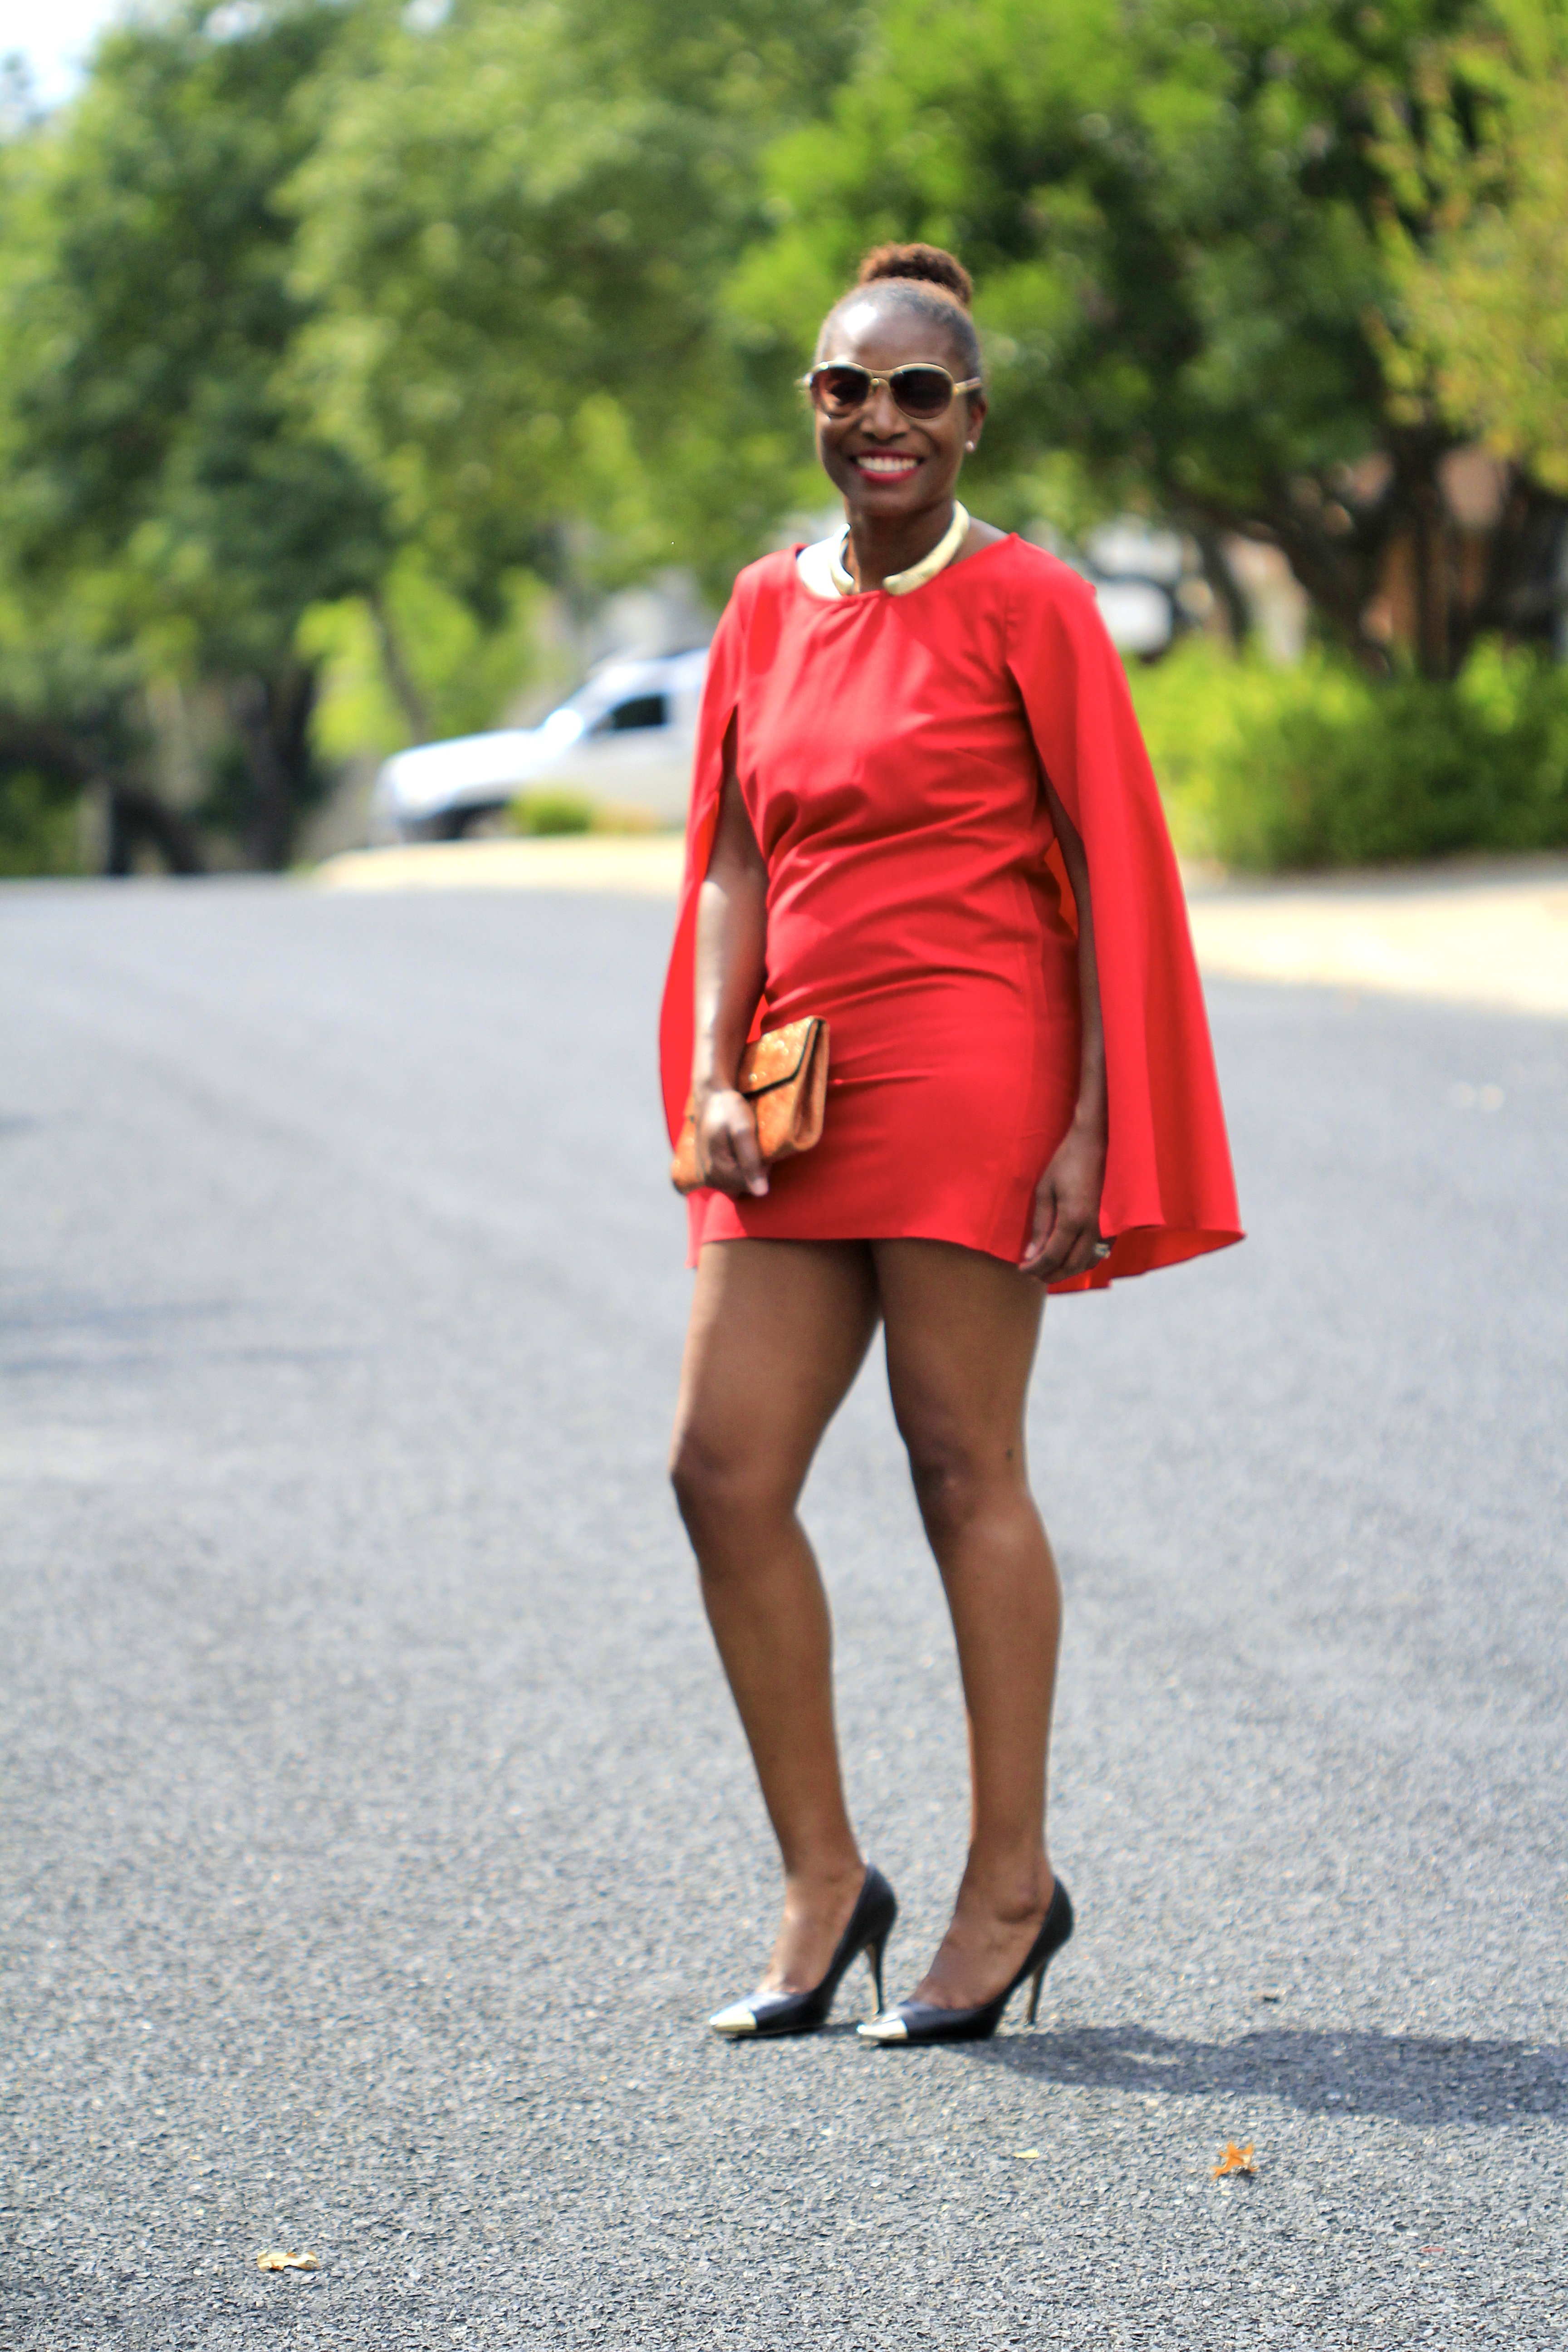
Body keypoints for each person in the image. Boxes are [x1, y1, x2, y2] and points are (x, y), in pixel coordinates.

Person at [660, 244, 1241, 2045]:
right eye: (850, 388)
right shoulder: (764, 605)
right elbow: (737, 857)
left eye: (921, 392)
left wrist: (1091, 1122)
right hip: (798, 1082)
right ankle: (825, 1878)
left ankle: (1011, 1884)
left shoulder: (1034, 607)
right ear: (814, 408)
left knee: (957, 1466)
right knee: (721, 1471)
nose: (883, 419)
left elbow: (1113, 872)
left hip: (977, 1070)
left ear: (973, 417)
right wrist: (711, 1073)